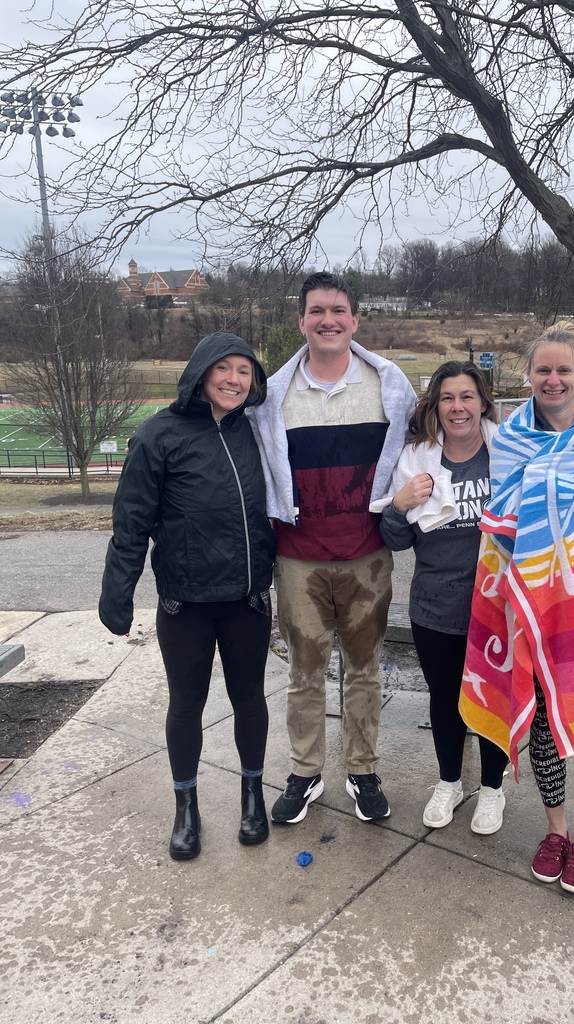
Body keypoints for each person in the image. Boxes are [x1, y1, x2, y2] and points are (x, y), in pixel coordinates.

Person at [460, 322, 574, 893]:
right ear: (530, 375)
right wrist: (560, 490)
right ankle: (555, 831)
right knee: (543, 722)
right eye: (543, 369)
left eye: (564, 369)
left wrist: (551, 489)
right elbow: (506, 513)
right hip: (534, 598)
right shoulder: (513, 438)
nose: (554, 379)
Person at [99, 333, 276, 861]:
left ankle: (252, 797)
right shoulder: (159, 435)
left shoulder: (255, 430)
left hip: (246, 600)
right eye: (223, 368)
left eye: (244, 370)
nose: (233, 380)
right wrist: (117, 594)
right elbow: (131, 521)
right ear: (201, 371)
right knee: (186, 704)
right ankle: (186, 807)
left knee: (250, 699)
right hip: (185, 603)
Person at [249, 272, 416, 825]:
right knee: (305, 672)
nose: (328, 320)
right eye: (317, 311)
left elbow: (428, 443)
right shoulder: (273, 396)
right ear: (301, 320)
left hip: (367, 556)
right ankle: (306, 772)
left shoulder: (389, 386)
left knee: (364, 669)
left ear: (355, 320)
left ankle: (362, 770)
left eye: (338, 310)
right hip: (298, 558)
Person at [377, 362, 509, 833]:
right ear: (436, 405)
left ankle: (492, 789)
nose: (458, 407)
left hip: (499, 606)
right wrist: (399, 505)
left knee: (494, 700)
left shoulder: (507, 455)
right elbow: (396, 540)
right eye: (448, 397)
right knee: (446, 699)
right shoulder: (415, 460)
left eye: (467, 396)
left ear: (483, 403)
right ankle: (449, 781)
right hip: (435, 608)